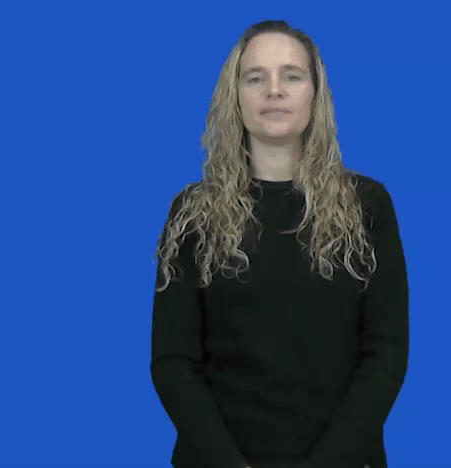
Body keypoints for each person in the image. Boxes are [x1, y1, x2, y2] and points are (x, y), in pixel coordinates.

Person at [151, 20, 409, 468]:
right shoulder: (192, 213)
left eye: (291, 76)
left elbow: (386, 352)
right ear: (235, 96)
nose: (274, 90)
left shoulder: (367, 206)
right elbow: (172, 362)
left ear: (315, 93)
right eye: (256, 78)